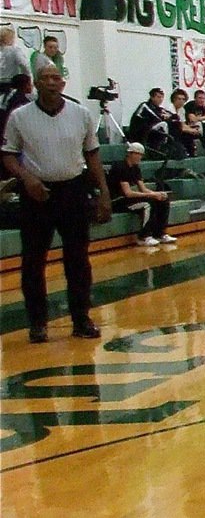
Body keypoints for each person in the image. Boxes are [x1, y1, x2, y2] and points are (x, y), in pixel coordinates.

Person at [1, 64, 112, 341]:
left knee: (78, 259)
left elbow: (93, 155)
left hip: (73, 191)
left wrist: (104, 193)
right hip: (36, 193)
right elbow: (8, 155)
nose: (51, 82)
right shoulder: (19, 116)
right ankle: (38, 323)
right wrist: (27, 178)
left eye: (56, 78)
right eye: (45, 78)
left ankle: (81, 319)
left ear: (63, 83)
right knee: (33, 261)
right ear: (36, 83)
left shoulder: (81, 114)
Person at [106, 140, 176, 246]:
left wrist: (158, 194)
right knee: (147, 204)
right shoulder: (120, 167)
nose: (140, 157)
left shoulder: (136, 168)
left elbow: (143, 189)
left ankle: (160, 233)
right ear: (130, 154)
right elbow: (128, 193)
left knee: (163, 200)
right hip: (117, 200)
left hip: (128, 199)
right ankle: (144, 236)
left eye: (141, 155)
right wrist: (152, 195)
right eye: (138, 154)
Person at [127, 88, 173, 153]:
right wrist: (164, 117)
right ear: (152, 97)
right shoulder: (145, 106)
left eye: (162, 97)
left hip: (150, 131)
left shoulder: (158, 108)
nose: (161, 99)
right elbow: (157, 117)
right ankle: (162, 147)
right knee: (163, 124)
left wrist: (169, 116)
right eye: (158, 97)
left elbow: (172, 116)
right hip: (139, 133)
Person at [168, 88, 203, 158]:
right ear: (174, 99)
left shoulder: (182, 109)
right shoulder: (170, 108)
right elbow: (179, 126)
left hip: (180, 130)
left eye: (183, 99)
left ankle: (192, 152)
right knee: (187, 133)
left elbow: (183, 124)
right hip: (171, 131)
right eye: (179, 99)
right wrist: (190, 130)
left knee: (198, 130)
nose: (181, 101)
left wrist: (193, 129)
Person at [0, 25, 32, 93]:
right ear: (9, 38)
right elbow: (24, 65)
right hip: (10, 83)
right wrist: (28, 79)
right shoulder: (14, 50)